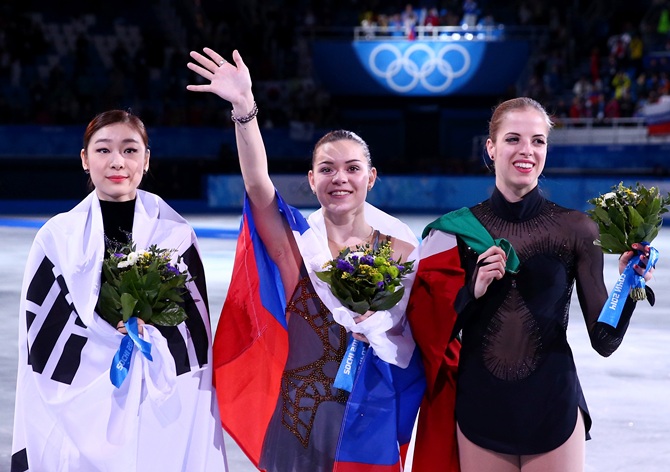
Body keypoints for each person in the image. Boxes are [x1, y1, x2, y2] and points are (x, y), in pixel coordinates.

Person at [186, 47, 425, 472]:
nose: (340, 178)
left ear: (370, 177)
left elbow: (418, 340)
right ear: (312, 179)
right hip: (300, 421)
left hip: (372, 421)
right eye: (327, 169)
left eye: (352, 169)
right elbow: (259, 187)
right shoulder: (297, 248)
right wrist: (245, 109)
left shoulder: (402, 253)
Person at [408, 97, 656, 472]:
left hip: (552, 406)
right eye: (513, 139)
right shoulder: (454, 233)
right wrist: (471, 291)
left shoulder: (577, 229)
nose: (527, 150)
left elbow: (604, 341)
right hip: (481, 409)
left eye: (538, 141)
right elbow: (432, 337)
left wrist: (630, 284)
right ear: (490, 148)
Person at [11, 110, 228, 471]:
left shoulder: (174, 233)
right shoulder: (56, 237)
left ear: (146, 159)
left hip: (157, 400)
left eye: (129, 150)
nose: (117, 162)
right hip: (82, 402)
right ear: (84, 159)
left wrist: (150, 337)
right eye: (103, 150)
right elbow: (43, 338)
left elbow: (194, 335)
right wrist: (107, 339)